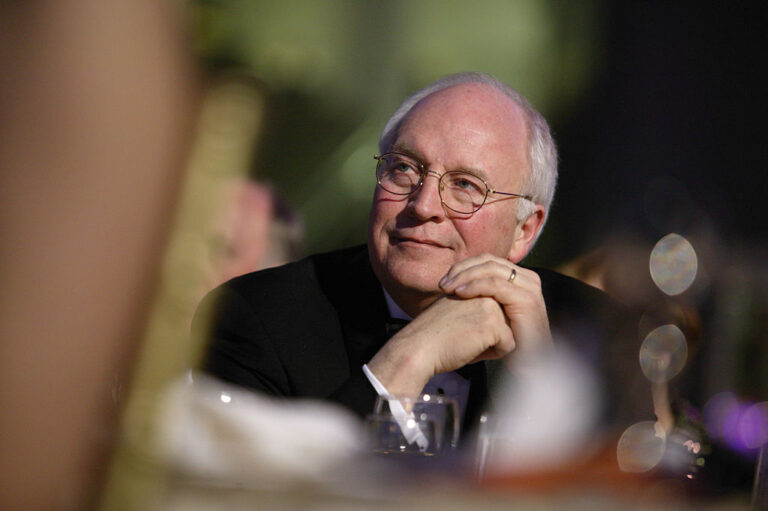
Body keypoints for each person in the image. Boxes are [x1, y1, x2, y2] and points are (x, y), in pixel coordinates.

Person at [194, 72, 641, 435]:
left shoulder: (593, 331)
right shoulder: (255, 318)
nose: (423, 206)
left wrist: (546, 387)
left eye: (466, 186)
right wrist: (405, 361)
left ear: (525, 230)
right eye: (404, 169)